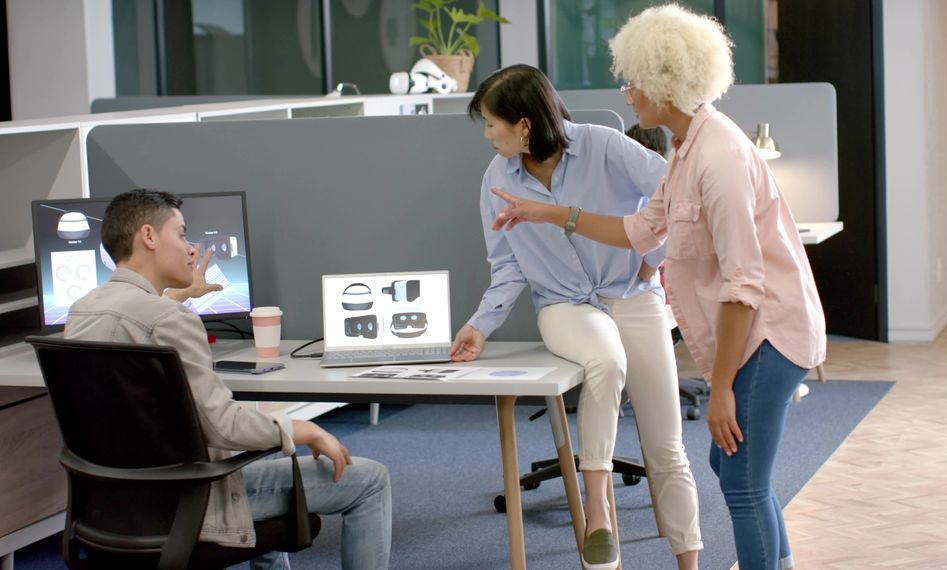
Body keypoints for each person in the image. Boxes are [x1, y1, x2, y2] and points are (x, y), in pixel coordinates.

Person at [482, 6, 827, 570]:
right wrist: (549, 215)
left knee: (739, 481)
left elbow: (745, 286)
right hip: (750, 332)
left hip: (773, 331)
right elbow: (639, 229)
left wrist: (719, 390)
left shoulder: (720, 159)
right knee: (731, 468)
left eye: (634, 81)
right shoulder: (685, 150)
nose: (626, 93)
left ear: (667, 84)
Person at [448, 64, 702, 570]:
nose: (487, 134)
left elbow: (679, 191)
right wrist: (480, 325)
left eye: (493, 123)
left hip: (631, 295)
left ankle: (689, 561)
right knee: (605, 362)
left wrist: (655, 256)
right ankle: (598, 509)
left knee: (667, 447)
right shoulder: (497, 179)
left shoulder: (604, 146)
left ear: (524, 124)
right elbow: (507, 267)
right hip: (564, 306)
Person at [64, 189, 392, 570]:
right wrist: (303, 429)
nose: (191, 248)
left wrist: (178, 298)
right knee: (370, 480)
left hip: (114, 503)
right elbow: (224, 426)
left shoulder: (83, 311)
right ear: (149, 237)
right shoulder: (170, 321)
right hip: (189, 502)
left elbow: (136, 328)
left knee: (249, 463)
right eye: (182, 234)